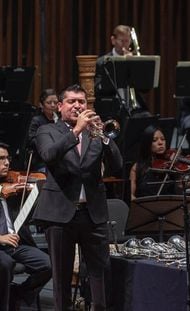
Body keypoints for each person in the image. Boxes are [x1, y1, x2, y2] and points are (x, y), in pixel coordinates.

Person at [33, 84, 123, 310]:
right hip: (60, 213)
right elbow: (49, 155)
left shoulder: (94, 132)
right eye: (72, 101)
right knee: (62, 278)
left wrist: (104, 137)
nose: (77, 106)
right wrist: (75, 131)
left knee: (99, 272)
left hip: (93, 213)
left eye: (81, 102)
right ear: (60, 106)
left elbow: (118, 167)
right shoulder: (47, 131)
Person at [0, 142, 52, 311]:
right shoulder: (4, 188)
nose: (7, 163)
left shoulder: (13, 185)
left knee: (48, 265)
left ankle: (18, 294)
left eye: (8, 158)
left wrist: (34, 196)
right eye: (1, 159)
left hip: (16, 244)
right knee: (5, 264)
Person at [95, 25, 151, 119]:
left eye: (127, 41)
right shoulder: (102, 61)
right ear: (113, 40)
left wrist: (133, 65)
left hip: (135, 109)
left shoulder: (136, 60)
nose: (125, 45)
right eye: (122, 41)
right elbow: (97, 88)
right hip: (112, 109)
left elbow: (145, 89)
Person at [130, 125, 178, 200]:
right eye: (154, 140)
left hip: (169, 204)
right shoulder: (137, 167)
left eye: (163, 139)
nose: (160, 143)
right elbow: (131, 195)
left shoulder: (171, 164)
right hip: (145, 208)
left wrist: (180, 173)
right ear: (147, 143)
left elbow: (180, 189)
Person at [27, 88, 59, 172]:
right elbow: (31, 139)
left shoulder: (60, 119)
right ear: (41, 105)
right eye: (49, 103)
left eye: (55, 102)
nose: (53, 105)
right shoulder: (36, 120)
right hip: (41, 160)